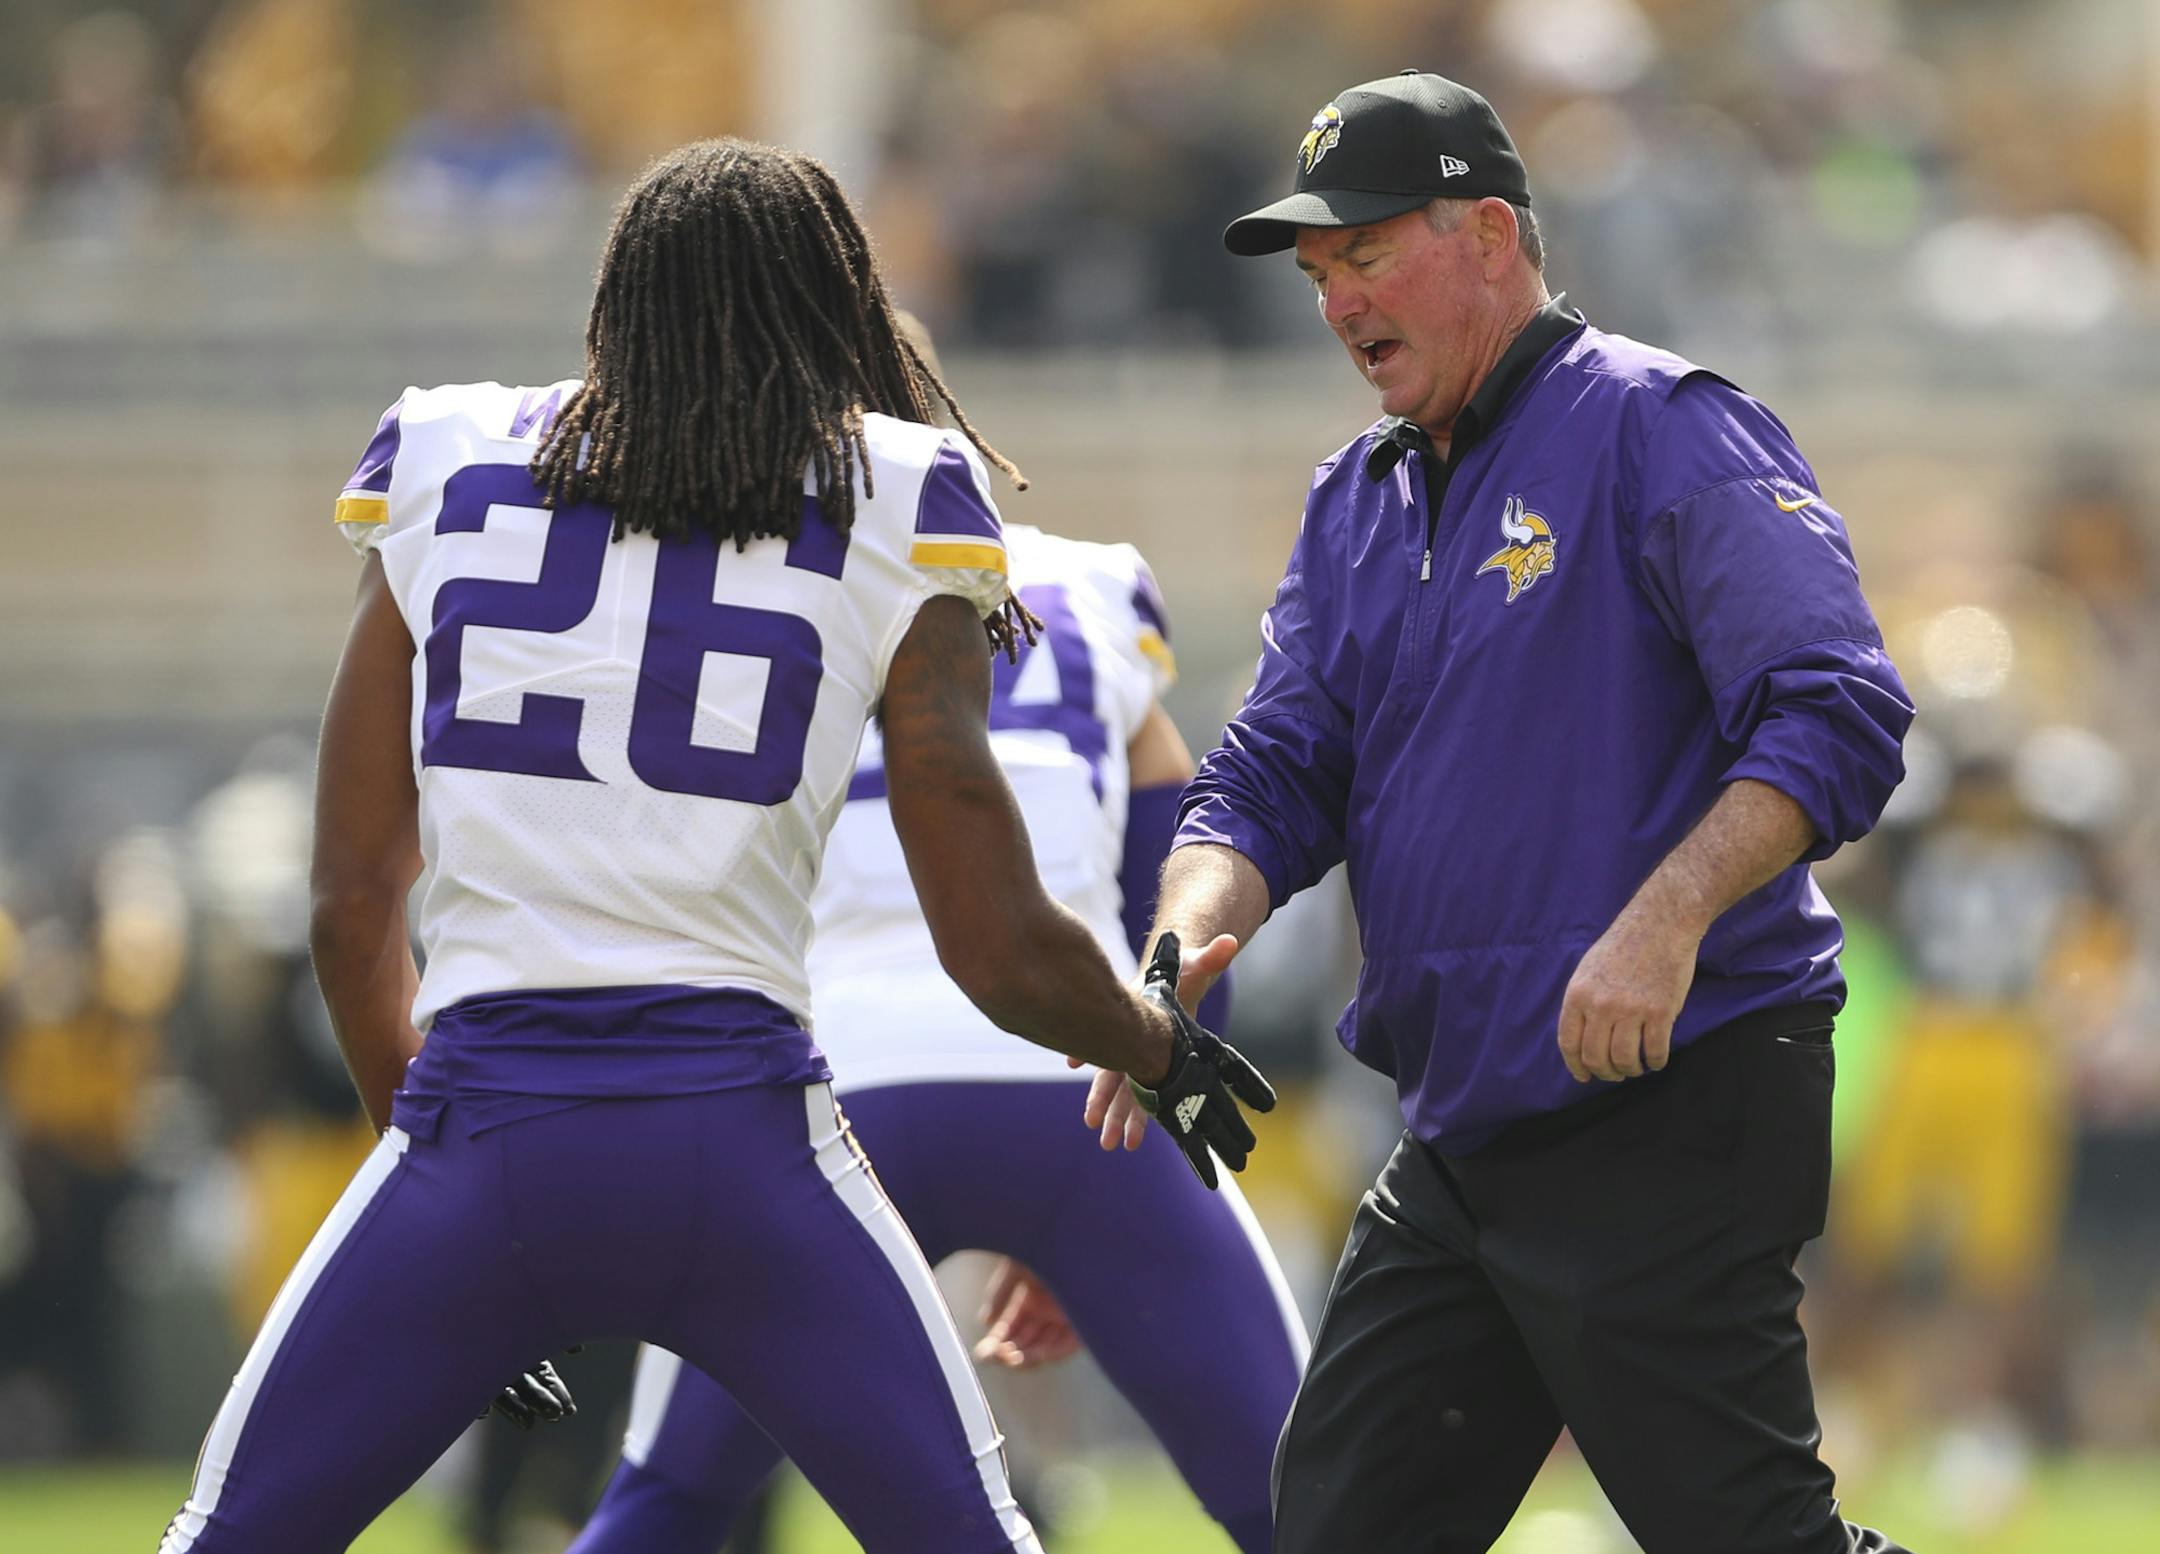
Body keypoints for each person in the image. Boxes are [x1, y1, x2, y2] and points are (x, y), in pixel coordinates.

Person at [158, 137, 1271, 1554]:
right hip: (748, 1148)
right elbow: (992, 937)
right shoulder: (898, 491)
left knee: (228, 1534)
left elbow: (349, 895)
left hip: (488, 1130)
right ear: (834, 310)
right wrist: (1154, 1039)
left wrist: (429, 1166)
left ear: (615, 300)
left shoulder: (448, 452)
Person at [1113, 73, 1917, 1553]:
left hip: (1671, 1087)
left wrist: (1667, 917)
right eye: (1317, 274)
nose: (1339, 300)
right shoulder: (1355, 498)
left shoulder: (1662, 429)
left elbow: (1839, 708)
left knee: (1744, 1536)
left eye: (1367, 253)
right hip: (1466, 1126)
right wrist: (1179, 944)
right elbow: (1273, 772)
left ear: (1490, 232)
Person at [563, 501, 1308, 1554]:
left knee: (669, 1500)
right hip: (1079, 1082)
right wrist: (1150, 1115)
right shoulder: (1086, 581)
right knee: (1308, 1504)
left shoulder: (740, 583)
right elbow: (1176, 904)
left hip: (826, 1092)